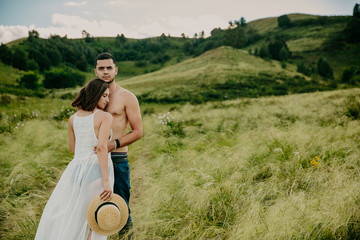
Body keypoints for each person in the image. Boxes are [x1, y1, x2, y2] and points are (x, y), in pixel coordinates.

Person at [35, 79, 114, 240]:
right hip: (97, 170)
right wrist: (106, 182)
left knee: (77, 215)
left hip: (76, 170)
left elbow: (73, 149)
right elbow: (101, 148)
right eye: (105, 95)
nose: (108, 100)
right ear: (96, 94)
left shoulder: (73, 119)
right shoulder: (105, 117)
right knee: (96, 218)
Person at [94, 53, 143, 237]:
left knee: (121, 207)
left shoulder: (127, 97)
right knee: (93, 206)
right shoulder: (89, 97)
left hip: (117, 158)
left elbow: (138, 131)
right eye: (101, 68)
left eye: (109, 68)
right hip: (93, 159)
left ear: (116, 70)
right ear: (95, 71)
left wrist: (112, 144)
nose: (105, 72)